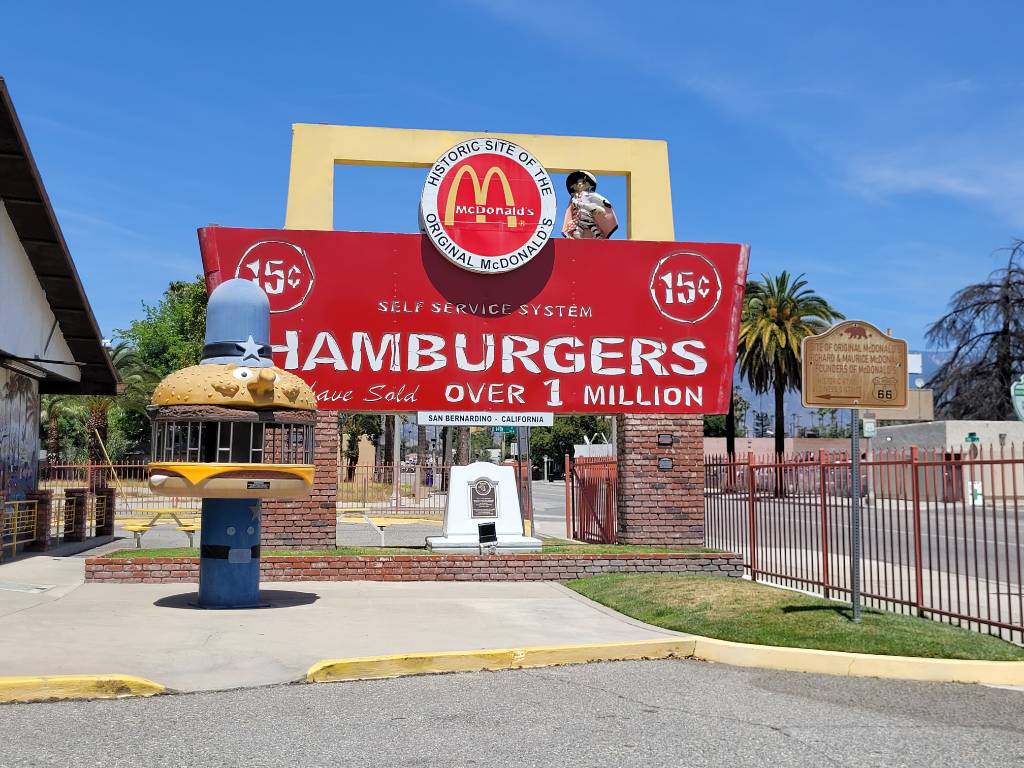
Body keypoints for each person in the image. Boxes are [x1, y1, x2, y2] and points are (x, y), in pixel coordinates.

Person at [561, 170, 618, 239]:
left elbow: (599, 199)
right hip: (578, 221)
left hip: (589, 219)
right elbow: (571, 208)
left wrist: (603, 204)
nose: (580, 184)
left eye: (583, 182)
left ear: (589, 185)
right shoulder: (574, 197)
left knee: (595, 231)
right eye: (577, 183)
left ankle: (598, 239)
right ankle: (577, 241)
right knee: (577, 233)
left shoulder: (590, 195)